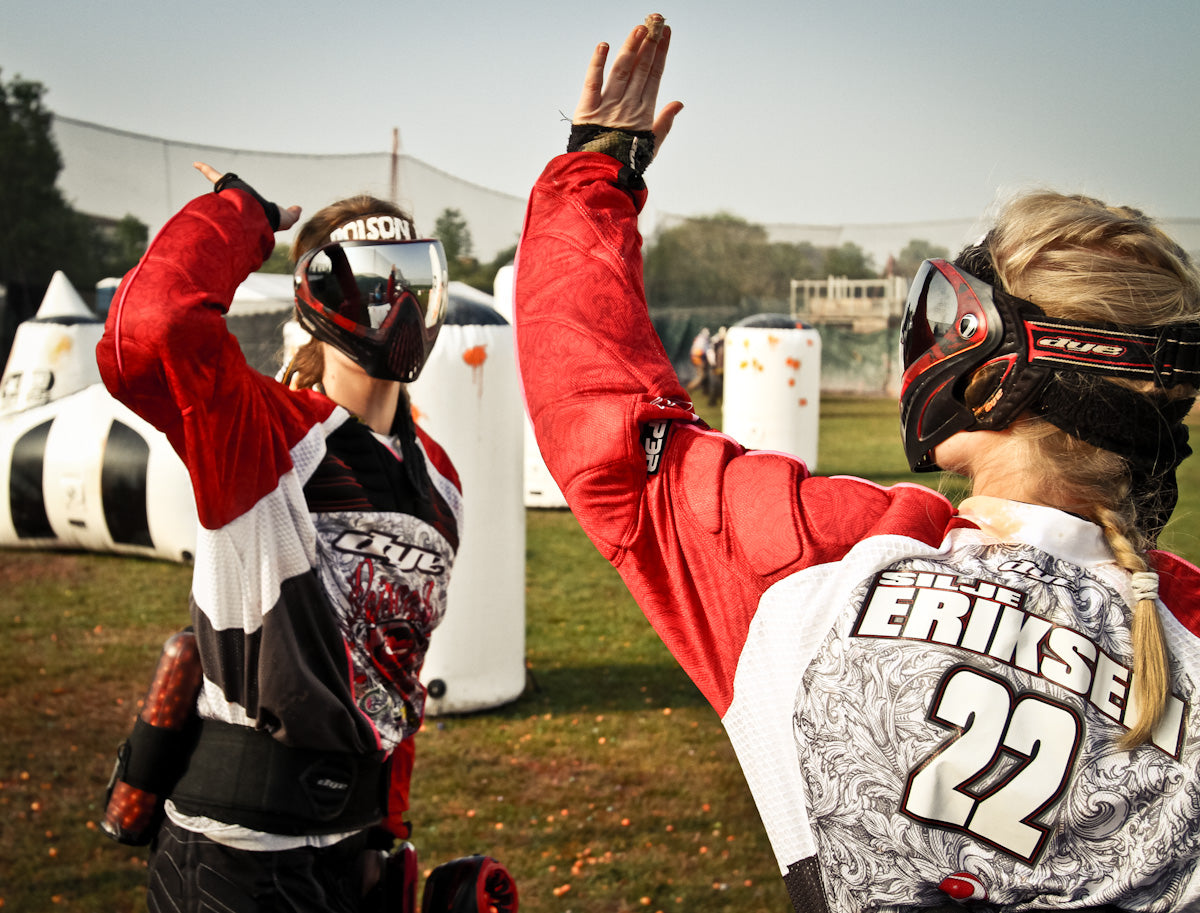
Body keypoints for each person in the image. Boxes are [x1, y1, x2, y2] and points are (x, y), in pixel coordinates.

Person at [514, 14, 1200, 912]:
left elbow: (601, 421)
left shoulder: (822, 569)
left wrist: (593, 172)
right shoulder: (1183, 628)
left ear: (993, 369)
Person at [97, 163, 463, 912]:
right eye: (374, 282)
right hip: (239, 859)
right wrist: (241, 215)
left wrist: (387, 832)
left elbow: (394, 670)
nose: (397, 305)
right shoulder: (261, 431)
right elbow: (151, 327)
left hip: (352, 850)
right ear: (322, 295)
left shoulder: (439, 477)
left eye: (410, 280)